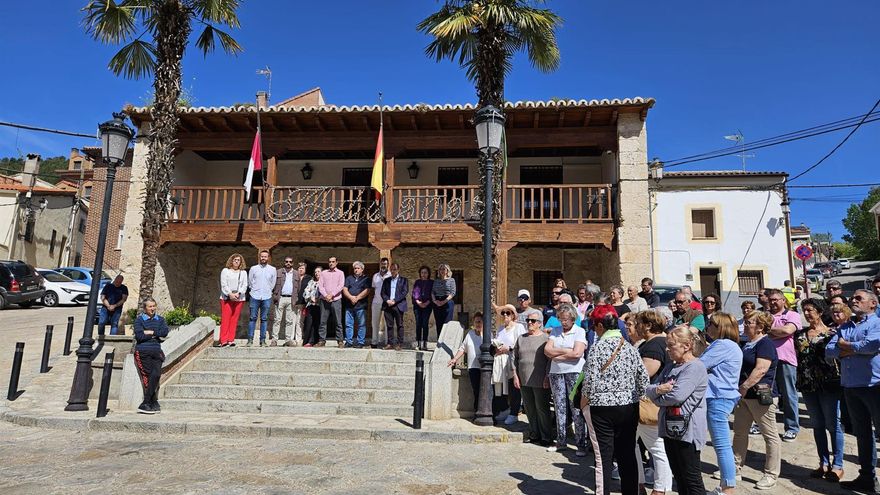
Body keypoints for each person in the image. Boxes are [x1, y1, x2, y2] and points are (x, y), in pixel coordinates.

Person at [583, 305, 649, 495]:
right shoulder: (630, 348)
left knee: (603, 457)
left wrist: (584, 400)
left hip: (602, 408)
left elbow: (589, 380)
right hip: (628, 406)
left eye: (595, 326)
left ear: (600, 326)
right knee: (627, 454)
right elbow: (643, 379)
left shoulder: (597, 349)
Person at [826, 290, 880, 492]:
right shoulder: (845, 326)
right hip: (850, 386)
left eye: (859, 299)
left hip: (874, 386)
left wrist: (847, 347)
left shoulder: (877, 323)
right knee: (862, 434)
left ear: (873, 304)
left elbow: (872, 345)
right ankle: (867, 478)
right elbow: (829, 351)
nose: (853, 301)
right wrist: (856, 348)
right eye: (853, 298)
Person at [646, 326, 708, 495]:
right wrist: (659, 391)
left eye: (671, 345)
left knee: (691, 479)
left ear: (686, 346)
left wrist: (658, 396)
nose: (667, 349)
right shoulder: (671, 367)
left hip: (688, 431)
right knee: (679, 477)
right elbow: (649, 388)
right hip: (669, 428)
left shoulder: (694, 367)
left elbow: (677, 396)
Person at [795, 299, 844, 482]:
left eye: (810, 310)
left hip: (829, 384)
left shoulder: (832, 333)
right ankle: (823, 462)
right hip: (807, 384)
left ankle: (838, 464)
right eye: (804, 310)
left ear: (819, 311)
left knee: (833, 425)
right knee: (817, 424)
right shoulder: (800, 334)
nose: (807, 314)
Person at [732, 310, 781, 490]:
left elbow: (761, 370)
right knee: (739, 432)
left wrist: (743, 387)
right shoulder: (749, 343)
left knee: (770, 436)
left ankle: (771, 474)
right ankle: (735, 468)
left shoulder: (765, 344)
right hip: (744, 396)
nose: (745, 324)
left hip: (759, 395)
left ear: (760, 327)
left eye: (750, 322)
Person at [701, 312, 744, 495]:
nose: (707, 327)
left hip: (718, 397)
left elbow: (699, 364)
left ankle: (728, 488)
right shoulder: (728, 345)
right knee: (722, 444)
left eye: (711, 323)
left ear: (720, 327)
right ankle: (726, 485)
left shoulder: (722, 345)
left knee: (722, 445)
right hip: (721, 397)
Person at [635, 310, 674, 495]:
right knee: (631, 445)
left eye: (639, 323)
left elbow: (644, 374)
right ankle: (639, 484)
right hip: (648, 402)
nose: (636, 327)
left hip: (648, 404)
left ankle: (660, 488)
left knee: (657, 449)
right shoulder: (659, 342)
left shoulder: (653, 346)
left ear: (648, 325)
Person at [543, 303, 588, 455]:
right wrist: (565, 351)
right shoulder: (555, 331)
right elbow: (547, 350)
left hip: (574, 371)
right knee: (559, 406)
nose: (563, 322)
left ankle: (581, 443)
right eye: (561, 319)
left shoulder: (579, 331)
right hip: (556, 372)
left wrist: (557, 355)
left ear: (572, 318)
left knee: (575, 407)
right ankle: (561, 440)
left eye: (566, 319)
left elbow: (577, 354)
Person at [765, 288, 802, 442]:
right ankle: (764, 425)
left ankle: (792, 427)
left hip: (786, 360)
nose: (773, 302)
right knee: (764, 394)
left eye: (775, 299)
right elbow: (757, 331)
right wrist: (776, 331)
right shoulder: (765, 316)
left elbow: (788, 330)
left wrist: (769, 330)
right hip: (766, 359)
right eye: (770, 299)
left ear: (783, 300)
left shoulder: (792, 315)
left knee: (788, 395)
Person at [512, 312, 554, 446]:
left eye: (533, 321)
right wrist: (515, 375)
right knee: (529, 408)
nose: (529, 323)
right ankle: (534, 433)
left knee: (542, 408)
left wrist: (547, 377)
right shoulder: (521, 338)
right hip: (524, 379)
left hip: (540, 379)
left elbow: (549, 361)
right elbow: (515, 358)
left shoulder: (546, 339)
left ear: (540, 323)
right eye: (528, 320)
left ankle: (546, 436)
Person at [133, 297, 169, 414]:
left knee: (156, 374)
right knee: (148, 376)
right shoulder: (139, 320)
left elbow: (164, 332)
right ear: (145, 308)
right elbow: (139, 336)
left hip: (157, 351)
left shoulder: (161, 319)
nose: (152, 308)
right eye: (150, 306)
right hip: (143, 351)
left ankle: (147, 402)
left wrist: (150, 332)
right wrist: (155, 334)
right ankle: (150, 401)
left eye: (154, 306)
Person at [494, 304, 526, 425]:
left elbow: (521, 344)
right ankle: (505, 409)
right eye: (503, 313)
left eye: (508, 313)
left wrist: (509, 348)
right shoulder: (500, 329)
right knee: (502, 387)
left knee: (514, 387)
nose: (505, 315)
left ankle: (514, 412)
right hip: (501, 361)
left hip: (512, 360)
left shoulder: (519, 327)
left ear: (513, 315)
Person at [448, 312, 484, 414]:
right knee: (476, 391)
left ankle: (484, 411)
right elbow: (463, 348)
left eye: (480, 322)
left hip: (484, 368)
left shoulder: (487, 335)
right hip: (473, 367)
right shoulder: (470, 334)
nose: (478, 324)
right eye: (476, 321)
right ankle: (477, 411)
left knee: (484, 391)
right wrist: (454, 359)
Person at [271, 256, 301, 347]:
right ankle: (274, 340)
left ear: (293, 263)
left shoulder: (296, 274)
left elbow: (298, 288)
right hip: (280, 298)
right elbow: (273, 284)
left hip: (291, 299)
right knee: (277, 320)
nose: (288, 263)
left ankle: (288, 340)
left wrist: (295, 298)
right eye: (286, 261)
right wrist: (275, 296)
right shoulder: (278, 272)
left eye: (290, 262)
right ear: (284, 262)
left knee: (289, 320)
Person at [218, 253, 248, 347]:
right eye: (235, 259)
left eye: (238, 260)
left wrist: (238, 293)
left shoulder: (243, 272)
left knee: (234, 319)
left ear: (241, 262)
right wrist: (230, 294)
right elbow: (223, 284)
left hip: (239, 298)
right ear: (231, 261)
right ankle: (223, 340)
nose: (236, 261)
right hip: (227, 297)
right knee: (226, 319)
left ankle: (231, 339)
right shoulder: (225, 271)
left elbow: (245, 285)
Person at [247, 250, 276, 347]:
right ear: (260, 257)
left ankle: (262, 340)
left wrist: (268, 291)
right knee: (252, 318)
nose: (263, 258)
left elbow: (273, 283)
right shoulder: (253, 268)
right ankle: (250, 340)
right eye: (262, 256)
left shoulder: (272, 269)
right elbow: (250, 282)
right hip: (254, 296)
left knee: (264, 319)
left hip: (266, 296)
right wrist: (254, 290)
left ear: (268, 258)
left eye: (265, 256)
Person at [317, 256, 344, 347]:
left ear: (336, 263)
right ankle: (322, 340)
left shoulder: (340, 273)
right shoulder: (324, 273)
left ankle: (340, 340)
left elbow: (340, 286)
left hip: (336, 300)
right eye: (329, 262)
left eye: (333, 261)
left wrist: (331, 294)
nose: (331, 263)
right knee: (323, 321)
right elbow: (320, 286)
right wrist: (326, 295)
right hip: (324, 300)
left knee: (338, 321)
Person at [342, 261, 370, 348]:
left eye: (358, 268)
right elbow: (345, 289)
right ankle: (348, 341)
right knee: (348, 324)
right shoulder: (349, 278)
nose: (356, 270)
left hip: (361, 305)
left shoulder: (366, 278)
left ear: (362, 269)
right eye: (355, 268)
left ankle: (360, 342)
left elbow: (367, 290)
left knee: (361, 324)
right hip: (349, 305)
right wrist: (351, 297)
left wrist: (357, 298)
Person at [381, 263, 409, 351]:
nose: (393, 271)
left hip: (398, 305)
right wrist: (387, 300)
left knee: (400, 325)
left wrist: (394, 300)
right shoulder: (386, 280)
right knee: (389, 325)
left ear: (398, 270)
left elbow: (404, 292)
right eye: (391, 269)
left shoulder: (404, 280)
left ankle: (400, 344)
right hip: (388, 305)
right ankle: (390, 343)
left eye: (395, 269)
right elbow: (382, 293)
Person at [370, 258, 391, 348]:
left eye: (385, 264)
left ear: (388, 265)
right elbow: (374, 288)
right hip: (376, 302)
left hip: (387, 302)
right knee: (375, 323)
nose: (383, 265)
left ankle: (387, 342)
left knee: (387, 323)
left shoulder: (391, 275)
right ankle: (374, 342)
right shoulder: (375, 276)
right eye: (382, 263)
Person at [412, 265, 434, 351]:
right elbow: (414, 293)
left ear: (428, 274)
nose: (423, 274)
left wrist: (427, 303)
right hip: (417, 306)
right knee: (418, 323)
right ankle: (418, 343)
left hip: (427, 306)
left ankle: (424, 343)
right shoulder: (417, 282)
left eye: (425, 273)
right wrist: (419, 302)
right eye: (422, 273)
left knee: (425, 323)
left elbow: (432, 293)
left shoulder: (431, 282)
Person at [431, 263, 456, 334]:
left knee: (447, 323)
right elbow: (432, 292)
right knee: (438, 323)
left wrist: (444, 301)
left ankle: (446, 342)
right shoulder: (436, 280)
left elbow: (453, 292)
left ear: (447, 271)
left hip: (447, 302)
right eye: (440, 269)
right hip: (437, 301)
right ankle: (439, 342)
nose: (442, 270)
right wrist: (435, 301)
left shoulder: (451, 280)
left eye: (444, 269)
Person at [301, 266, 322, 347]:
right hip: (310, 305)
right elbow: (305, 292)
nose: (317, 273)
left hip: (320, 305)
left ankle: (316, 341)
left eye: (319, 271)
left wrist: (318, 299)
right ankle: (307, 341)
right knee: (309, 323)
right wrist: (310, 298)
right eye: (316, 272)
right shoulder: (311, 282)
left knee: (317, 324)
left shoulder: (324, 282)